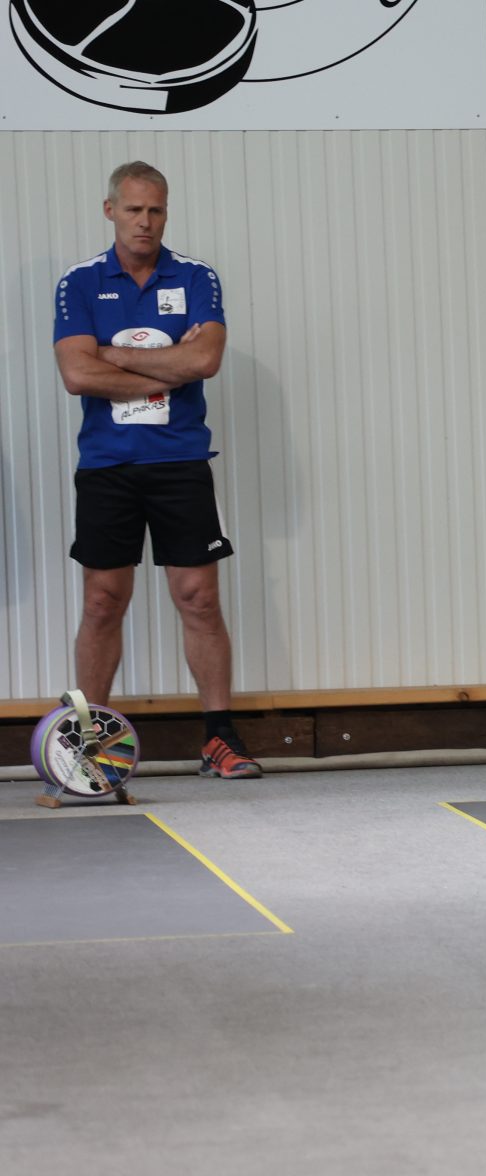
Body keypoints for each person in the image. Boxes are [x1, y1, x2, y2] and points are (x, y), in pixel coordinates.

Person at [52, 160, 261, 777]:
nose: (145, 221)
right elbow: (75, 373)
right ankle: (91, 745)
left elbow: (208, 361)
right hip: (108, 466)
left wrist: (111, 351)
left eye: (157, 210)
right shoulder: (81, 283)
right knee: (101, 601)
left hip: (180, 461)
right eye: (134, 209)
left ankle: (219, 739)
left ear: (166, 212)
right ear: (110, 209)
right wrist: (172, 358)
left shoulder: (196, 277)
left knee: (198, 599)